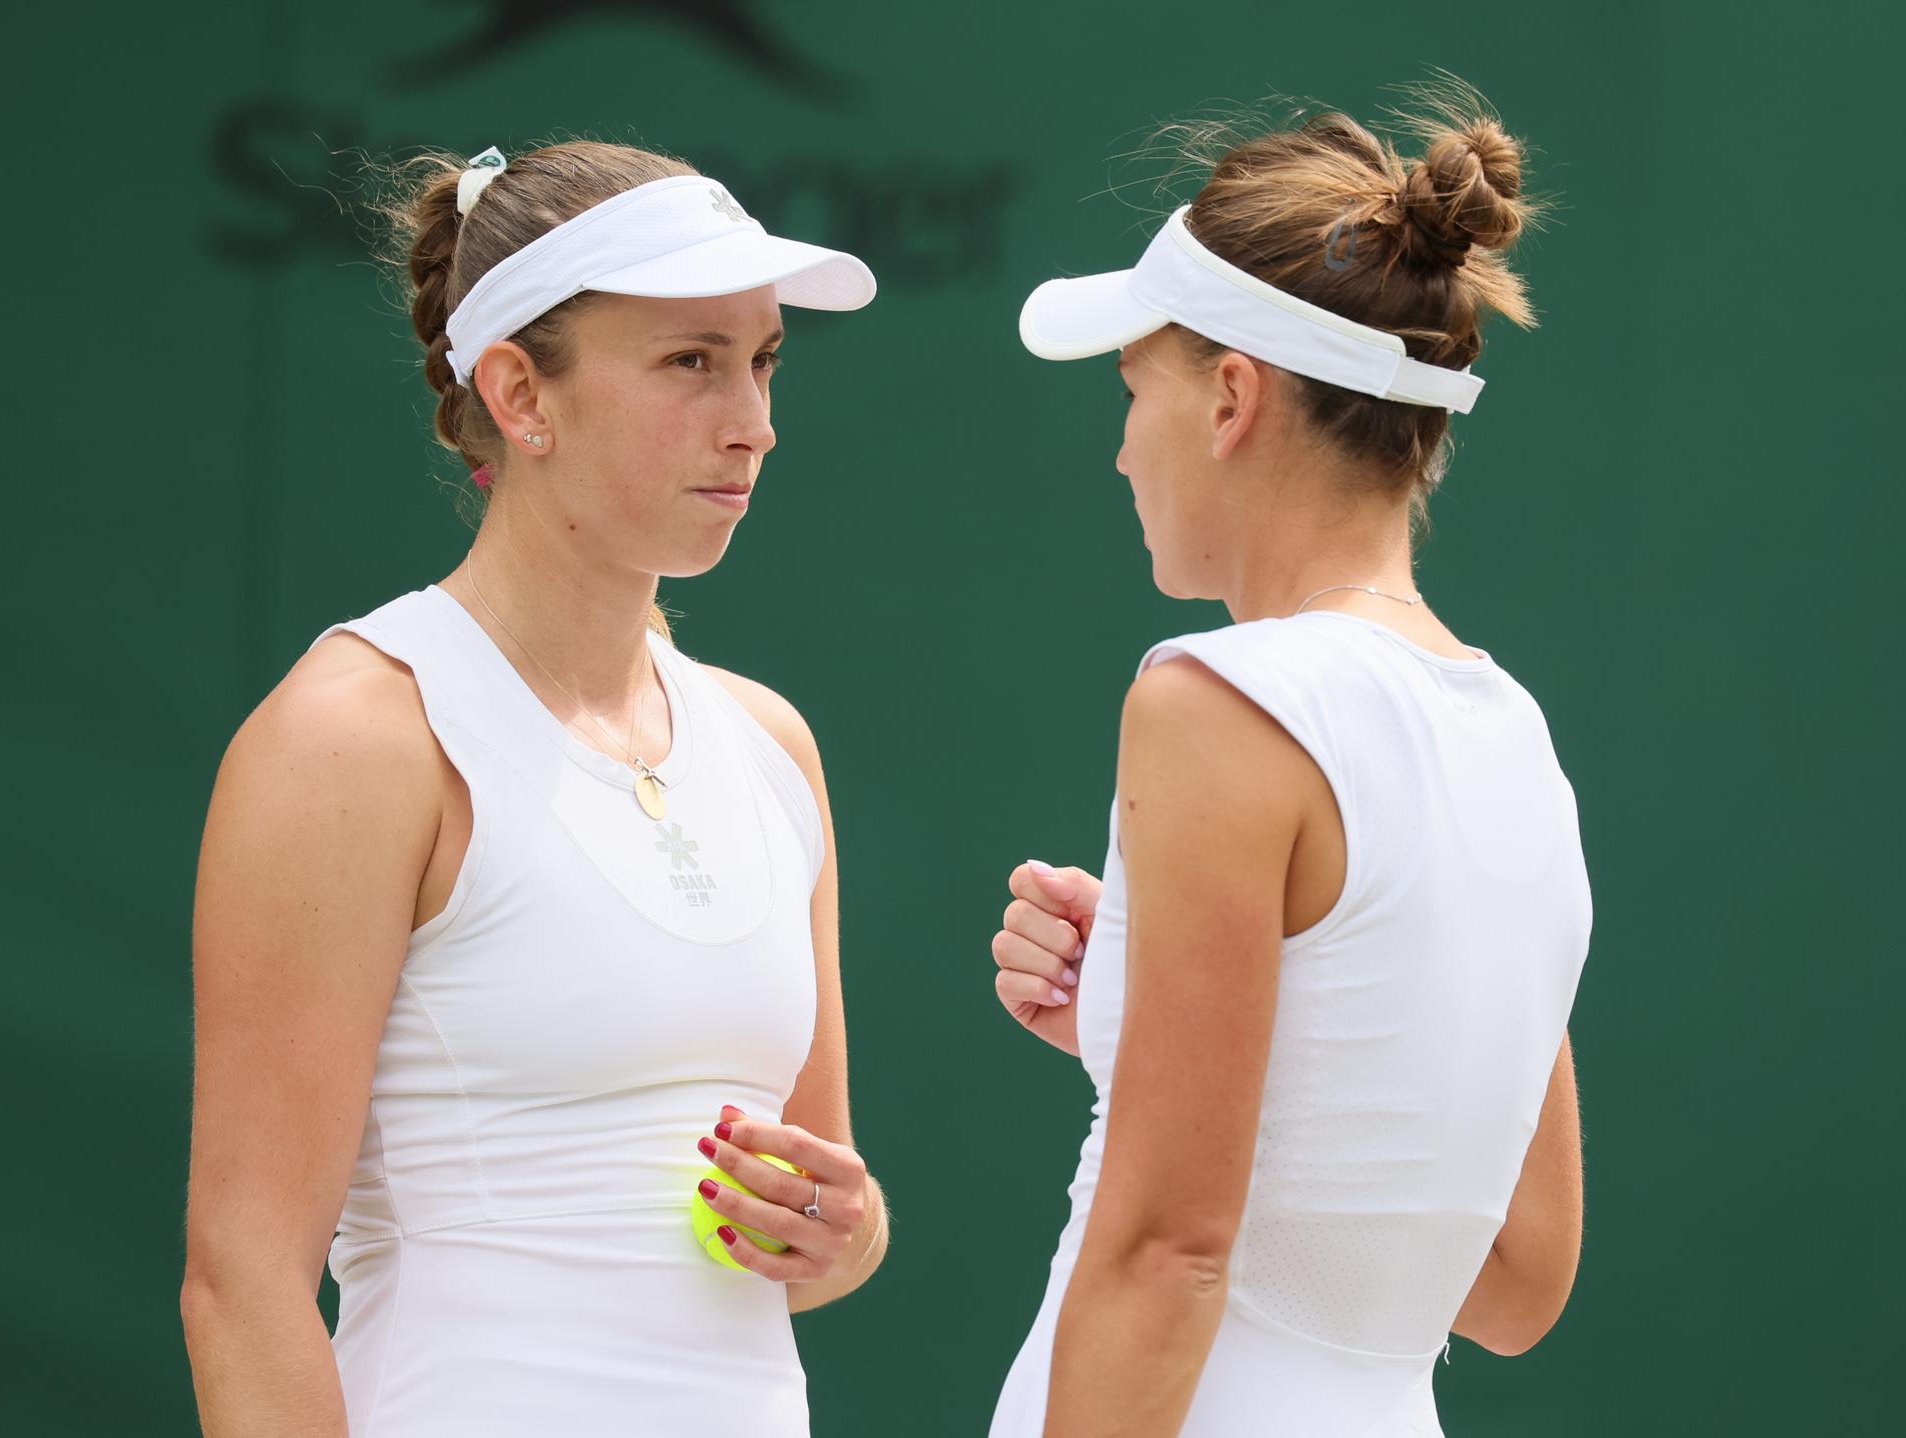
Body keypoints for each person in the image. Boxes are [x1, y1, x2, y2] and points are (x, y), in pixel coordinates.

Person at [180, 139, 889, 1437]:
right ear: (520, 393)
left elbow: (813, 1225)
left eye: (764, 360)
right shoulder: (354, 737)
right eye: (692, 361)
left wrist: (844, 1228)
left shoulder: (771, 746)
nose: (755, 420)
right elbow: (243, 1284)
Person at [987, 91, 1591, 1437]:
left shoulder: (1216, 704)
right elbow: (1515, 1281)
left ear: (1230, 398)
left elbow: (1168, 1256)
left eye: (1131, 390)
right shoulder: (1516, 739)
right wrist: (1144, 1019)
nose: (1120, 449)